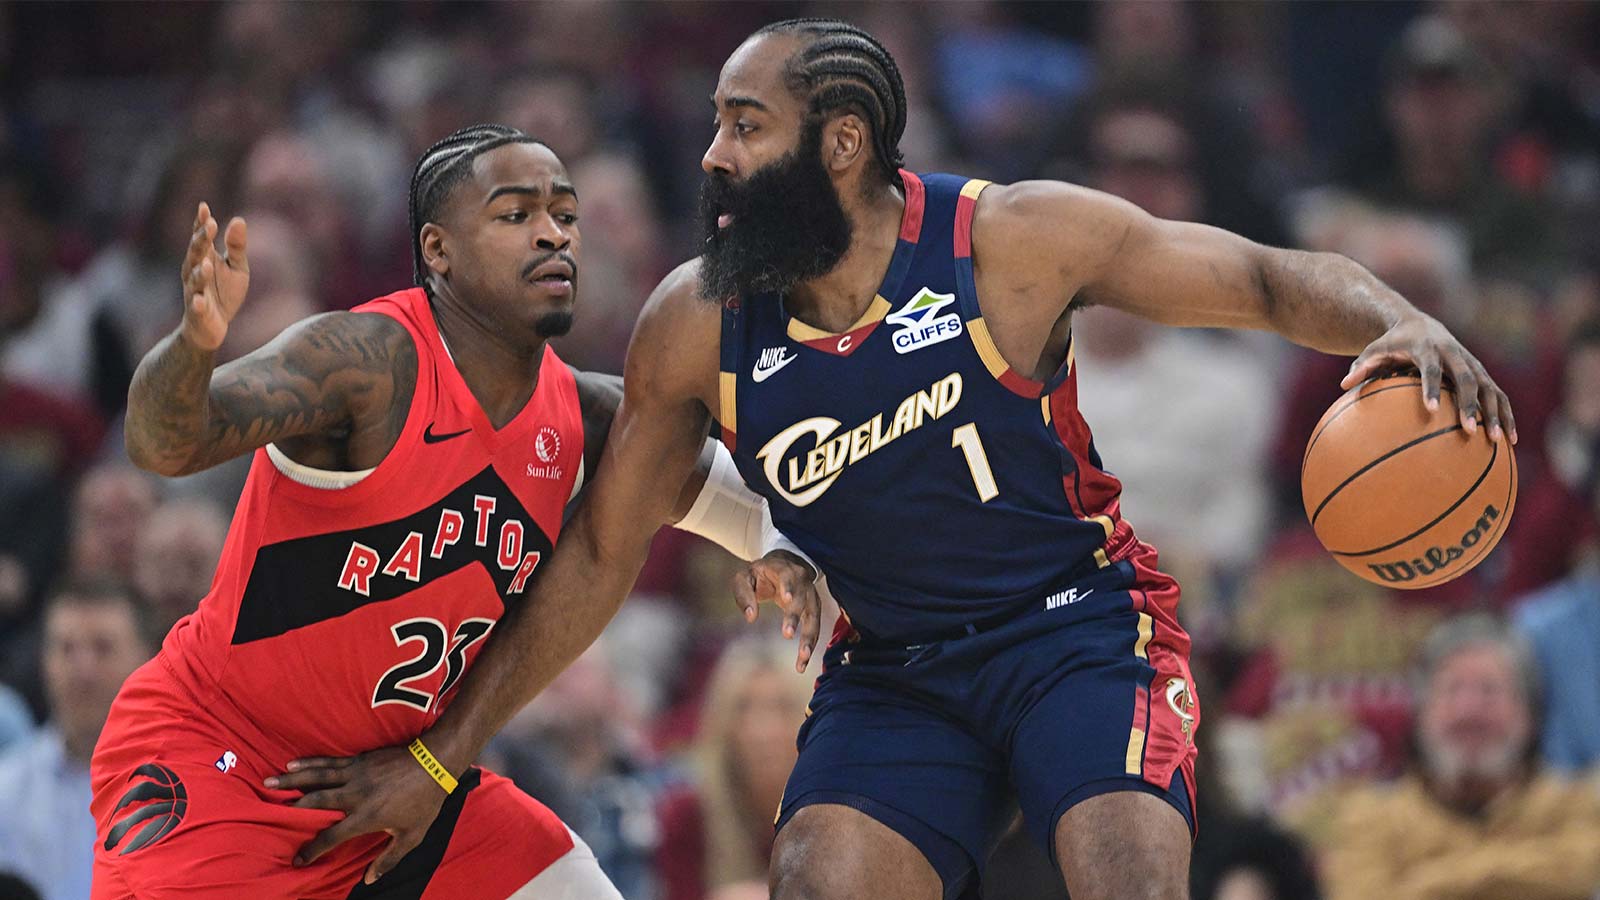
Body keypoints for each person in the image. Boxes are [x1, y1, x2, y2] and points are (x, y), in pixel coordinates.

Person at [282, 19, 1515, 900]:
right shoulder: (696, 319)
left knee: (1130, 878)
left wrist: (1398, 321)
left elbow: (1259, 276)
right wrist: (443, 756)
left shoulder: (1010, 241)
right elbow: (603, 553)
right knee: (813, 881)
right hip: (894, 671)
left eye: (743, 125)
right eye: (714, 122)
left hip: (1078, 630)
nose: (710, 155)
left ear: (841, 144)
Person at [90, 124, 793, 899]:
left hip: (397, 786)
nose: (553, 232)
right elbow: (163, 442)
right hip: (223, 756)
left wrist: (800, 556)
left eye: (564, 213)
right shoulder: (366, 364)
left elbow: (767, 508)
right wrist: (193, 347)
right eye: (515, 214)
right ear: (438, 249)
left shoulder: (588, 420)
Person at [1321, 615, 1600, 900]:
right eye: (1452, 690)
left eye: (1489, 691)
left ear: (1528, 715)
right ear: (1420, 715)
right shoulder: (1369, 818)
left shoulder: (1576, 805)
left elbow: (1582, 874)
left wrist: (1425, 879)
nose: (1469, 710)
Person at [0, 582, 152, 900]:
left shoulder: (184, 781)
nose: (83, 670)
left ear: (146, 659)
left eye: (103, 648)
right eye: (66, 648)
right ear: (44, 661)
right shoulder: (6, 791)